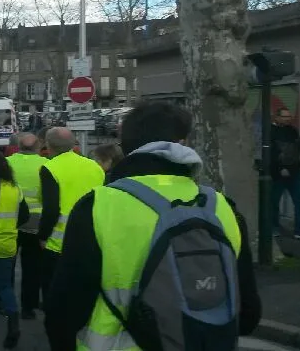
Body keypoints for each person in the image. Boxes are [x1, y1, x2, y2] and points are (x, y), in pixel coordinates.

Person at [44, 101, 262, 350]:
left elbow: (64, 310)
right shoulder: (222, 207)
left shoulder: (97, 206)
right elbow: (247, 317)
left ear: (125, 147)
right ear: (183, 144)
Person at [37, 127, 104, 299]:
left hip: (58, 243)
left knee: (55, 293)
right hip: (91, 237)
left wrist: (43, 236)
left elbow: (51, 208)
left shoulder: (50, 168)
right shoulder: (95, 166)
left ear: (48, 145)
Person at [0, 152, 30, 348]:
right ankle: (13, 326)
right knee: (5, 286)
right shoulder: (15, 188)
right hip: (8, 242)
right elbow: (24, 215)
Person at [5, 133, 48, 320]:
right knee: (33, 267)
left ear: (18, 146)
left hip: (10, 218)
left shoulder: (7, 163)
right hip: (36, 221)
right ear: (39, 146)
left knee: (7, 263)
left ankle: (6, 302)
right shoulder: (45, 165)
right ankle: (28, 307)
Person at [271, 107, 300, 239]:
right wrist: (280, 169)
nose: (288, 119)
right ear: (277, 117)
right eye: (284, 117)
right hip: (277, 173)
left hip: (295, 172)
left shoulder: (292, 131)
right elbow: (271, 153)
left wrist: (294, 167)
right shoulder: (271, 131)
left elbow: (296, 151)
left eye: (289, 116)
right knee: (273, 201)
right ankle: (274, 228)